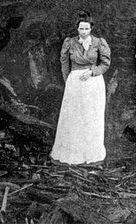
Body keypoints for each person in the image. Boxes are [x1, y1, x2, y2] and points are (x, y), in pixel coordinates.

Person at [50, 11, 111, 166]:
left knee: (91, 118)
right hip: (75, 83)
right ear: (77, 29)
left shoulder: (98, 42)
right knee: (73, 118)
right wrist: (69, 81)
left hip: (93, 83)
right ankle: (73, 154)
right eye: (81, 29)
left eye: (86, 29)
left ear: (91, 29)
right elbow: (64, 62)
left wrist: (92, 72)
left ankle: (91, 154)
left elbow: (105, 63)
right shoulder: (70, 43)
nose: (84, 32)